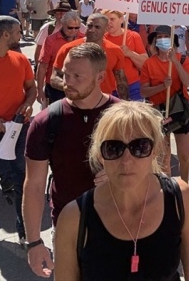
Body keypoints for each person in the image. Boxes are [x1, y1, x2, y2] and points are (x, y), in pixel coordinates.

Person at [54, 101, 189, 280]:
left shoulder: (178, 197)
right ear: (100, 154)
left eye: (140, 147)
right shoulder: (74, 218)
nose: (126, 161)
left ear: (155, 150)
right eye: (114, 148)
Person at [24, 43, 120, 278]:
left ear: (100, 77)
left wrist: (121, 173)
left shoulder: (123, 118)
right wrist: (34, 242)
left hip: (121, 225)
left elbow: (155, 173)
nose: (68, 81)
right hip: (68, 228)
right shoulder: (46, 122)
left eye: (77, 76)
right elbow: (34, 185)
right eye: (65, 74)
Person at [0, 16, 36, 246]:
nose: (21, 34)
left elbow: (31, 88)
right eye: (18, 30)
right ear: (5, 34)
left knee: (22, 178)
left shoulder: (20, 59)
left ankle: (23, 229)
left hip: (19, 128)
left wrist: (29, 103)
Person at [140, 25, 189, 182]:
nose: (163, 40)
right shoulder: (148, 64)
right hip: (158, 113)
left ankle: (185, 188)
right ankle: (167, 189)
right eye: (160, 37)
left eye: (166, 36)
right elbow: (144, 92)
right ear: (155, 42)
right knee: (164, 157)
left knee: (184, 156)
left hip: (180, 112)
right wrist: (162, 86)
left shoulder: (183, 59)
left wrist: (175, 62)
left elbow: (188, 81)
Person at [52, 13, 129, 100]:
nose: (92, 30)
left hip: (104, 102)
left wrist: (124, 103)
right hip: (76, 102)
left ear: (106, 29)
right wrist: (75, 88)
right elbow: (54, 78)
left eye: (97, 27)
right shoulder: (68, 49)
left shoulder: (115, 50)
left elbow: (121, 81)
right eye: (89, 26)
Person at [36, 11, 84, 107]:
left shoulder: (84, 39)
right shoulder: (51, 40)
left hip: (78, 86)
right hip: (55, 87)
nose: (74, 31)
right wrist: (39, 90)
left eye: (77, 28)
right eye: (70, 27)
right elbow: (42, 66)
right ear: (63, 24)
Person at [103, 10, 147, 101]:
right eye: (106, 19)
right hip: (109, 89)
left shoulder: (133, 36)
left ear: (121, 19)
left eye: (112, 19)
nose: (108, 23)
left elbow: (145, 65)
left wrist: (130, 53)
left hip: (133, 87)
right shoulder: (101, 38)